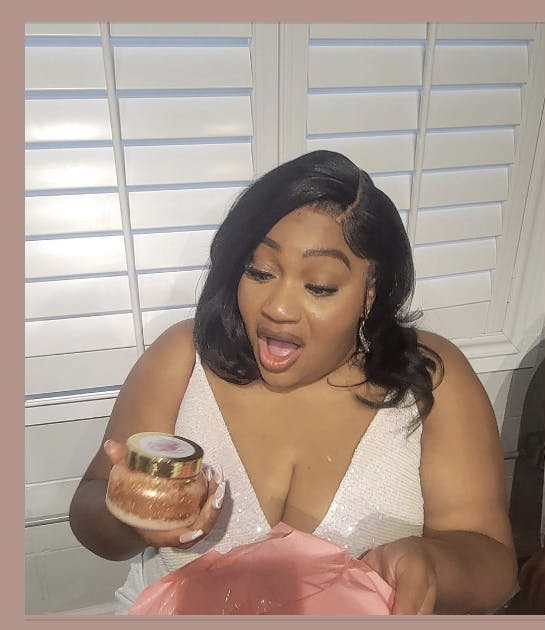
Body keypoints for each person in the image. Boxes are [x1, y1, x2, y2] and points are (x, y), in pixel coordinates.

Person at [69, 150, 517, 615]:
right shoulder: (183, 358)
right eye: (259, 272)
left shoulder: (431, 378)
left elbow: (494, 563)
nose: (278, 308)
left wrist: (433, 564)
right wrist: (131, 514)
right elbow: (89, 513)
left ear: (370, 291)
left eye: (319, 286)